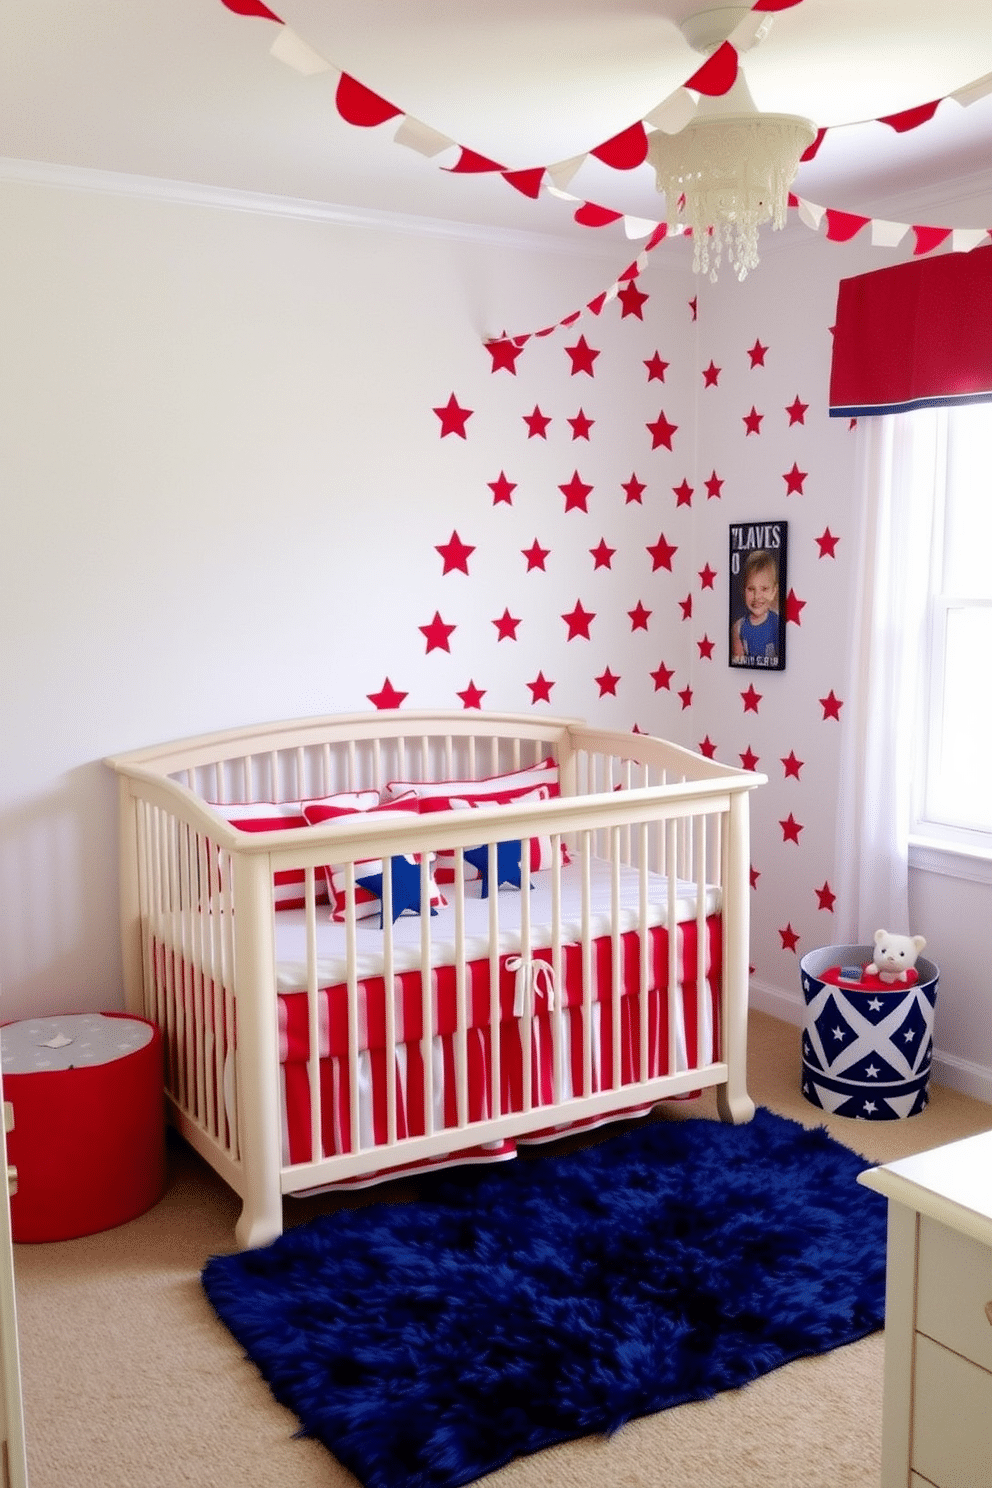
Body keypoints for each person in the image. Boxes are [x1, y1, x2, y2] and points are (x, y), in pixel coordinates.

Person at [731, 549, 780, 666]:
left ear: (774, 591)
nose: (757, 596)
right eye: (751, 589)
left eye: (764, 589)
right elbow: (738, 662)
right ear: (743, 590)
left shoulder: (777, 622)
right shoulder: (738, 627)